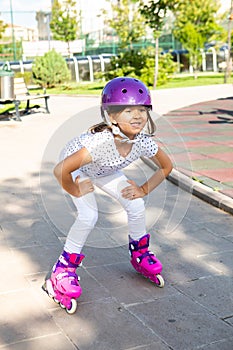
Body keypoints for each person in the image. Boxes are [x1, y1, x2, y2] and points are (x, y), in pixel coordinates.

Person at [43, 77, 173, 313]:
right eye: (128, 110)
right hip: (77, 168)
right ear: (112, 117)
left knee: (136, 205)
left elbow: (167, 167)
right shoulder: (100, 143)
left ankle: (140, 253)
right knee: (88, 215)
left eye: (142, 110)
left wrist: (143, 189)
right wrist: (75, 188)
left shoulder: (143, 142)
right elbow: (61, 169)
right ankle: (61, 271)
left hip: (106, 169)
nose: (137, 115)